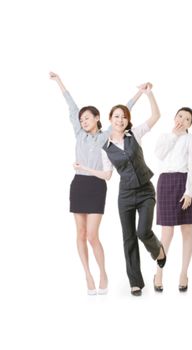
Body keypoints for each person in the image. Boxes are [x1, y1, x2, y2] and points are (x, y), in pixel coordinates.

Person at [50, 72, 150, 295]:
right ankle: (87, 274)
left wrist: (140, 94)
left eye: (87, 118)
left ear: (97, 118)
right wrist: (59, 81)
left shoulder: (106, 135)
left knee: (93, 235)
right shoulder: (79, 134)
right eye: (81, 119)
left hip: (96, 186)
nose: (83, 121)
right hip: (78, 185)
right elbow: (71, 106)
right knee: (80, 234)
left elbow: (123, 111)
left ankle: (103, 272)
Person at [74, 82, 166, 296]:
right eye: (116, 116)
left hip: (145, 191)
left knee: (143, 231)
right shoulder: (105, 147)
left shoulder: (136, 133)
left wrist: (149, 94)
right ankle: (135, 282)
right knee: (128, 237)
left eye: (124, 116)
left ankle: (158, 250)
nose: (121, 119)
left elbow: (156, 116)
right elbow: (107, 175)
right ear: (110, 120)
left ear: (127, 119)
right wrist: (84, 168)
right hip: (125, 195)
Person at [153, 107, 192, 293]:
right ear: (174, 117)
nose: (182, 120)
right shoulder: (165, 136)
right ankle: (158, 272)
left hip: (183, 182)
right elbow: (159, 155)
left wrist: (189, 192)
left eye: (187, 119)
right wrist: (173, 135)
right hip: (165, 181)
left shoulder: (191, 139)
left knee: (186, 230)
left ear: (190, 124)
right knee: (166, 233)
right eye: (180, 116)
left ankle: (184, 273)